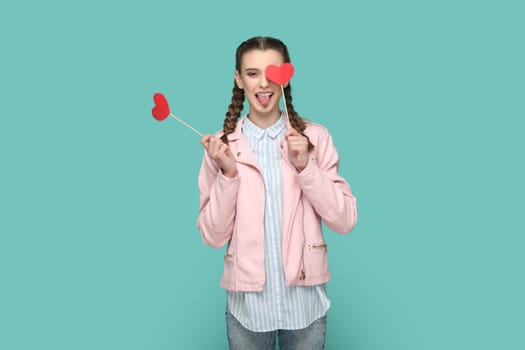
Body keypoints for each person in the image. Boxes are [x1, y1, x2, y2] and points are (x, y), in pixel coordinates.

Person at [196, 36, 357, 350]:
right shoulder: (221, 148)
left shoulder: (316, 138)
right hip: (247, 312)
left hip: (306, 308)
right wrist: (228, 175)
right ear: (239, 79)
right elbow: (212, 236)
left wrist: (306, 168)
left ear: (286, 75)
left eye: (273, 71)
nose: (264, 82)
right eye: (253, 73)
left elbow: (345, 220)